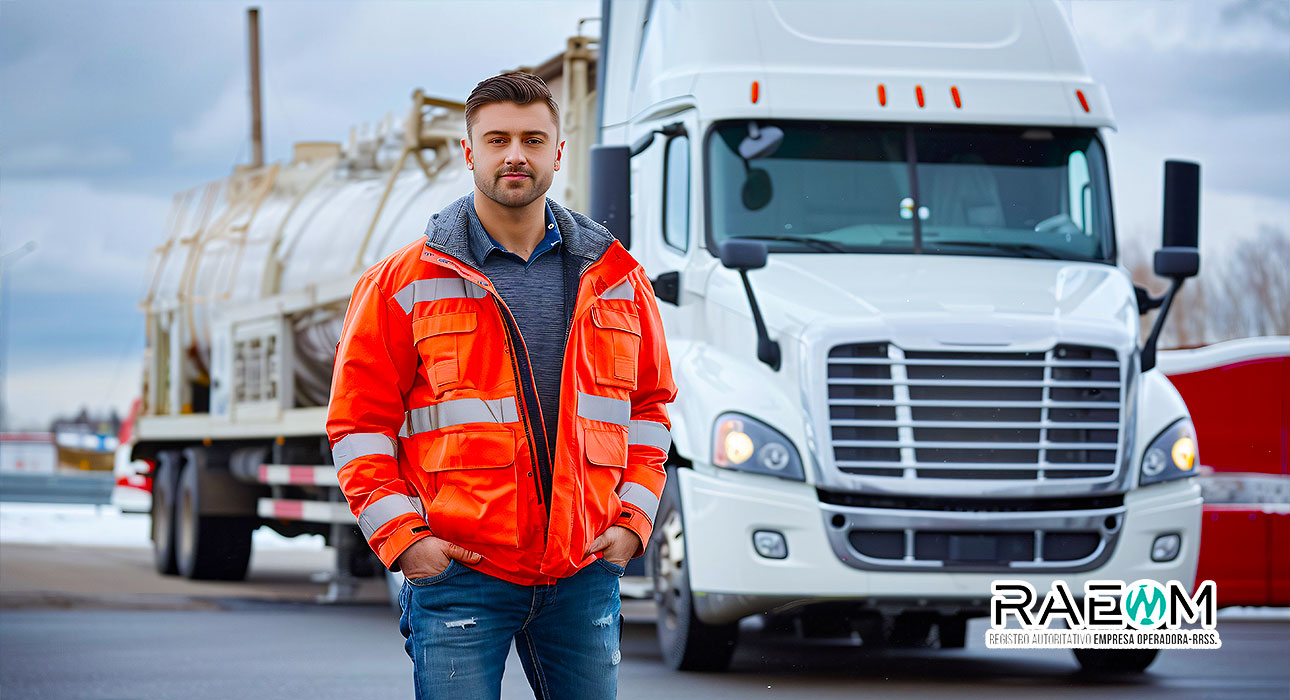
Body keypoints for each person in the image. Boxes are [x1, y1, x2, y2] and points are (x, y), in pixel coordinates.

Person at [326, 71, 676, 700]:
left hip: (582, 568)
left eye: (533, 139)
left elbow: (649, 407)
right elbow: (358, 425)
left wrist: (633, 521)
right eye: (497, 140)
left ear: (557, 154)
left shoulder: (619, 277)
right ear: (470, 153)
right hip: (461, 572)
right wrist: (404, 542)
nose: (516, 154)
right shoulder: (401, 284)